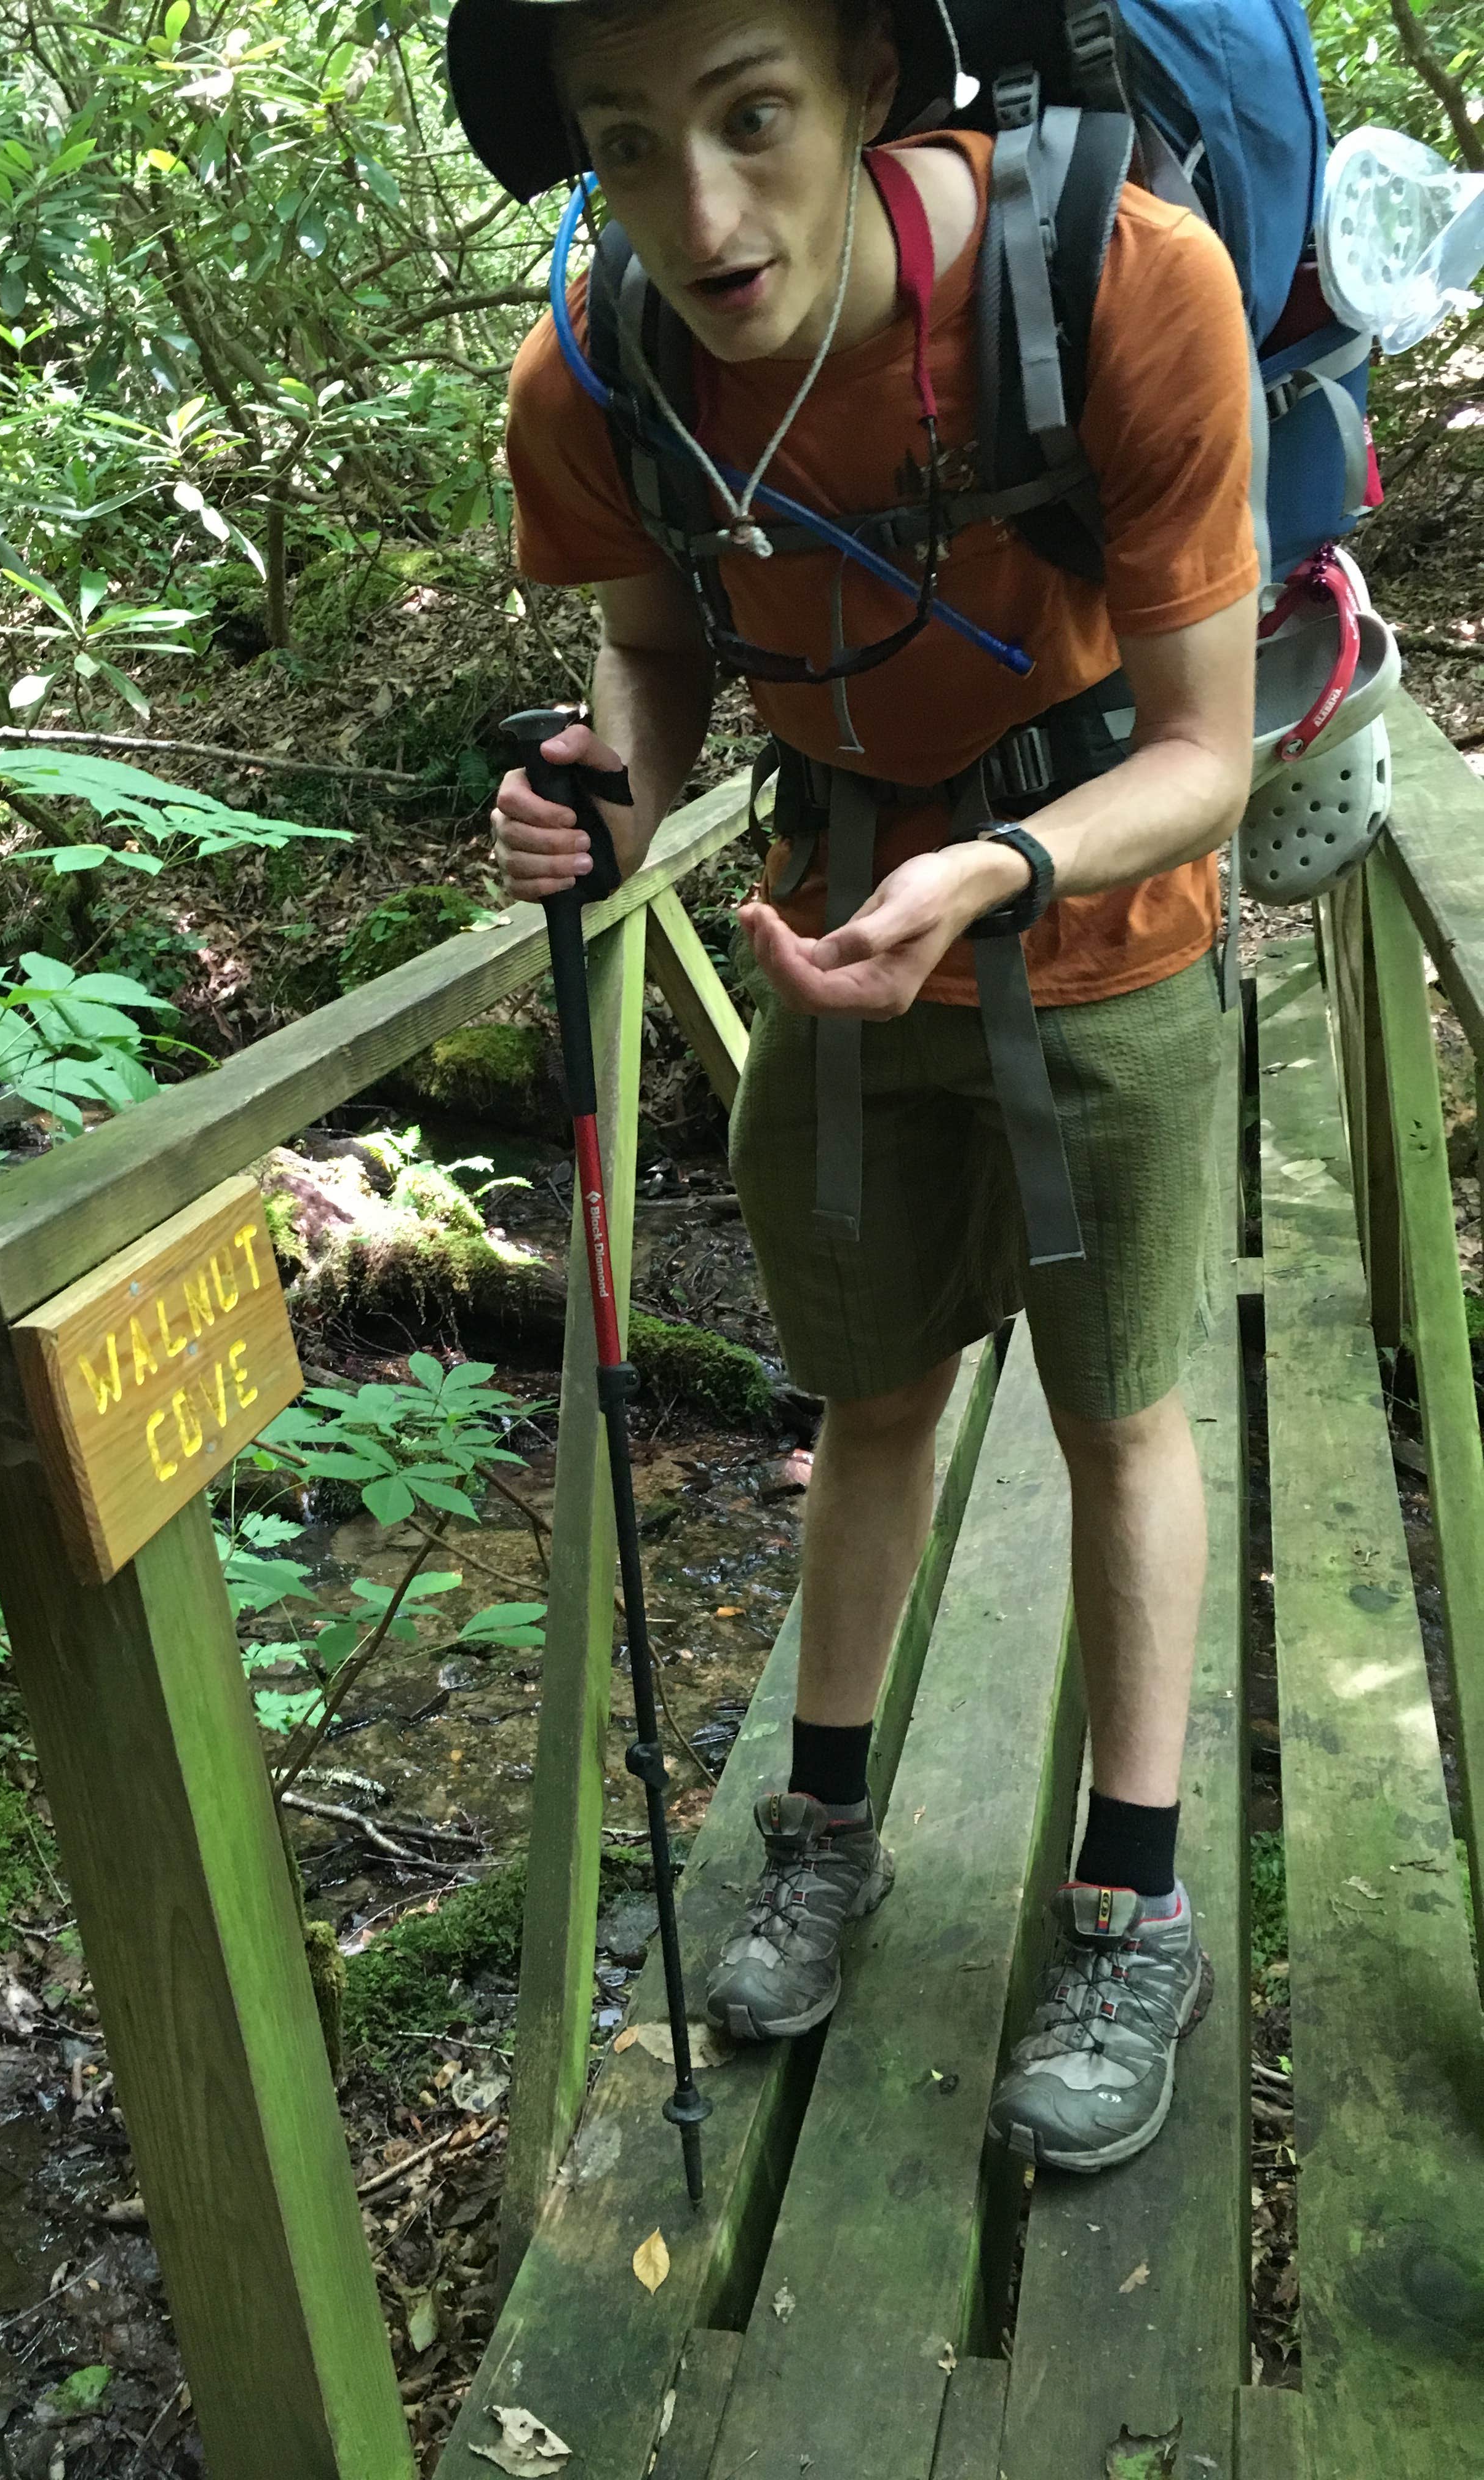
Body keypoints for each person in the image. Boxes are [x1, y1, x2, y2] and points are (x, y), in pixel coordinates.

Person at [451, 0, 1257, 2171]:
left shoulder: (1116, 286)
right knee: (870, 1394)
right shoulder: (600, 378)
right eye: (628, 145)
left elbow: (1208, 749)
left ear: (870, 89)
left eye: (751, 118)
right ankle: (823, 1831)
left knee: (1119, 1412)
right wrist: (601, 803)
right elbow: (656, 655)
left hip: (1103, 927)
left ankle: (1136, 1900)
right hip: (830, 923)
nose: (699, 209)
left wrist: (993, 868)